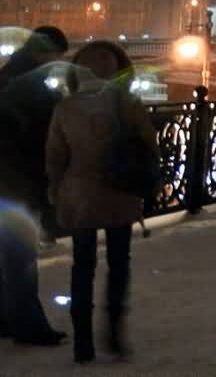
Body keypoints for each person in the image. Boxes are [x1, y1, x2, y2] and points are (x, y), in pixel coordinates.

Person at [45, 40, 156, 362]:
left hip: (79, 196)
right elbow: (150, 149)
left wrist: (56, 190)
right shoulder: (127, 104)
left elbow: (55, 157)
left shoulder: (66, 107)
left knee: (83, 266)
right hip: (120, 192)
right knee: (119, 264)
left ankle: (83, 343)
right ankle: (114, 333)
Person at [0, 25, 70, 349]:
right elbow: (45, 130)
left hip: (8, 179)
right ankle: (27, 325)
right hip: (18, 182)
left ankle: (6, 319)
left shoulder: (9, 75)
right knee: (20, 257)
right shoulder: (31, 85)